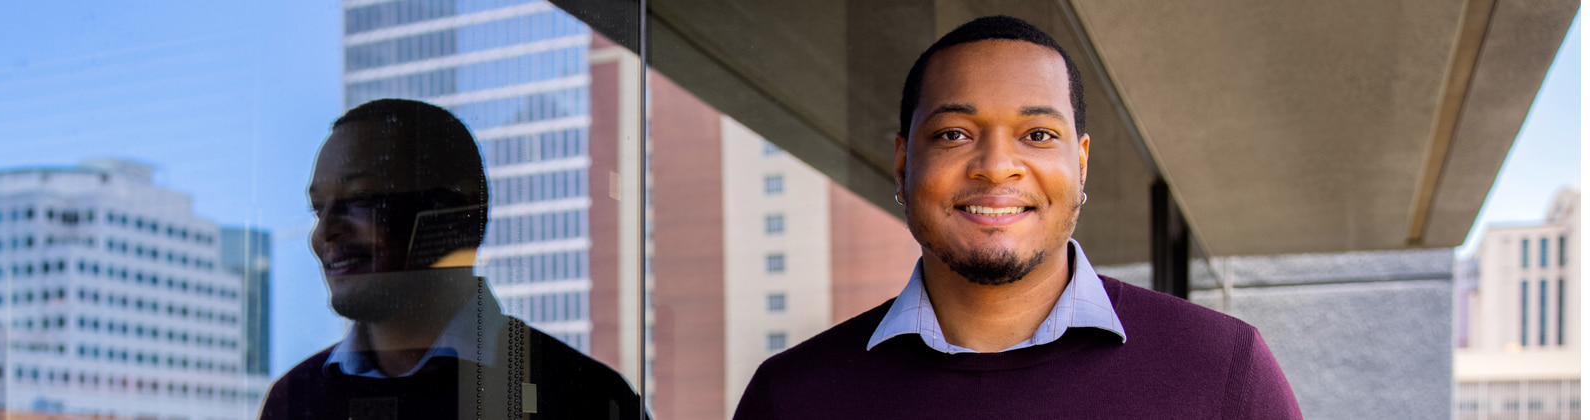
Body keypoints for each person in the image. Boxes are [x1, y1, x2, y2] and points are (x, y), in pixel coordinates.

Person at [733, 16, 1301, 419]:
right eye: (954, 133)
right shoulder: (792, 398)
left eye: (1037, 135)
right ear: (904, 162)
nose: (997, 167)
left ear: (1079, 163)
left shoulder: (1224, 371)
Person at [260, 99, 643, 420]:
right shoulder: (293, 401)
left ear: (456, 214)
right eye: (317, 209)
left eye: (361, 197)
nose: (323, 232)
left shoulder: (584, 398)